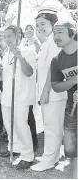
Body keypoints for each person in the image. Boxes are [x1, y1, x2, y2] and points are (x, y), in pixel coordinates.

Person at [30, 7, 67, 172]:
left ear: (53, 23)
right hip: (50, 92)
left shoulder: (55, 41)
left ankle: (48, 160)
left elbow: (55, 69)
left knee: (52, 127)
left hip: (53, 92)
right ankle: (54, 155)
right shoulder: (48, 41)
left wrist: (45, 91)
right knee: (52, 126)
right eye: (37, 25)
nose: (39, 27)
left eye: (43, 23)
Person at [0, 25, 36, 169]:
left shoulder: (28, 51)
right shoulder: (5, 53)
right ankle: (14, 148)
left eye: (10, 36)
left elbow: (29, 72)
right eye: (5, 36)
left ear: (18, 36)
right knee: (8, 124)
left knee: (21, 125)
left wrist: (20, 57)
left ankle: (28, 156)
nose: (7, 39)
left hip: (21, 95)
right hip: (7, 95)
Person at [50, 19, 77, 178]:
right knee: (71, 146)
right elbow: (56, 86)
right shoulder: (56, 60)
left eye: (60, 32)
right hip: (72, 106)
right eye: (54, 33)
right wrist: (73, 82)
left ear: (72, 32)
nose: (56, 36)